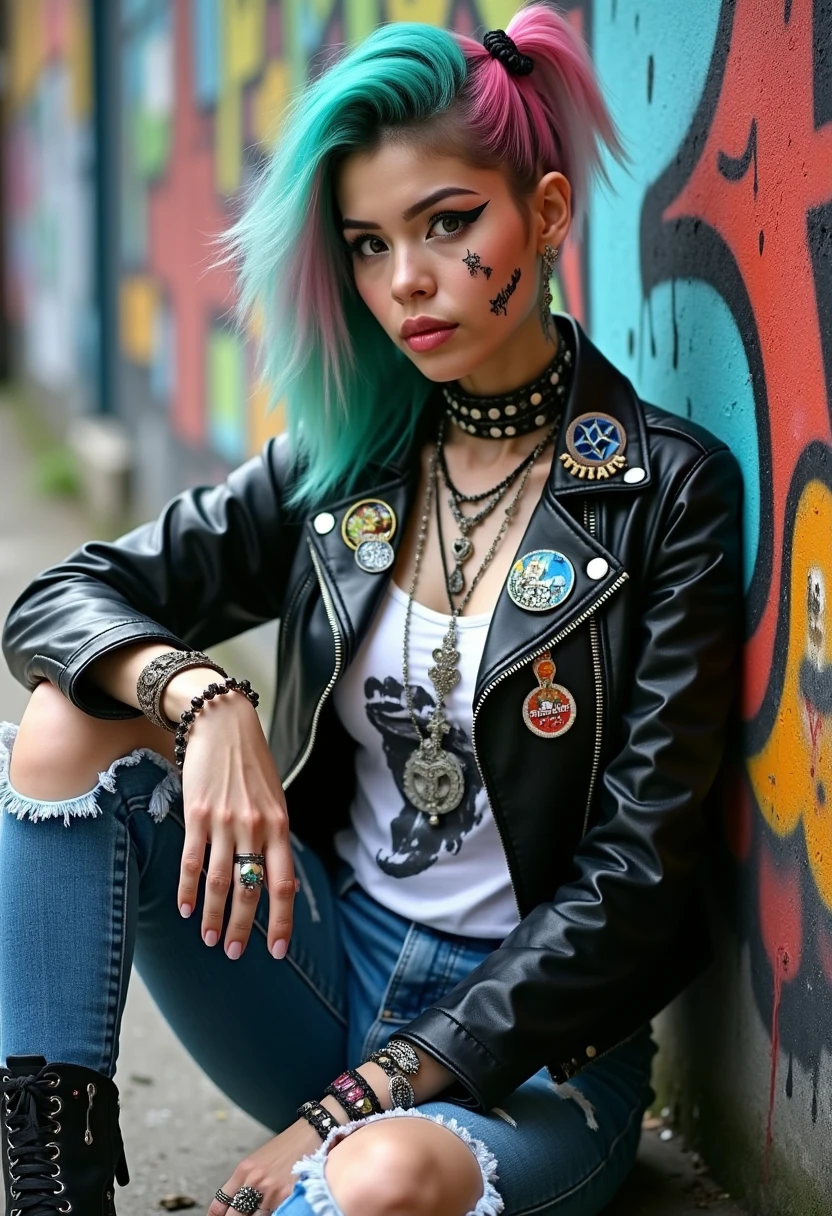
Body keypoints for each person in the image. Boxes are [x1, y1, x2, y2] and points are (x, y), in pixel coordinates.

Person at [0, 6, 743, 1215]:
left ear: (545, 215)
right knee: (60, 729)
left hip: (532, 1058)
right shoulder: (345, 463)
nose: (405, 282)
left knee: (379, 1177)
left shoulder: (667, 492)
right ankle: (50, 1191)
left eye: (449, 225)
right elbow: (62, 598)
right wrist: (201, 695)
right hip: (324, 975)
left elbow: (637, 875)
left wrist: (359, 1101)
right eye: (366, 244)